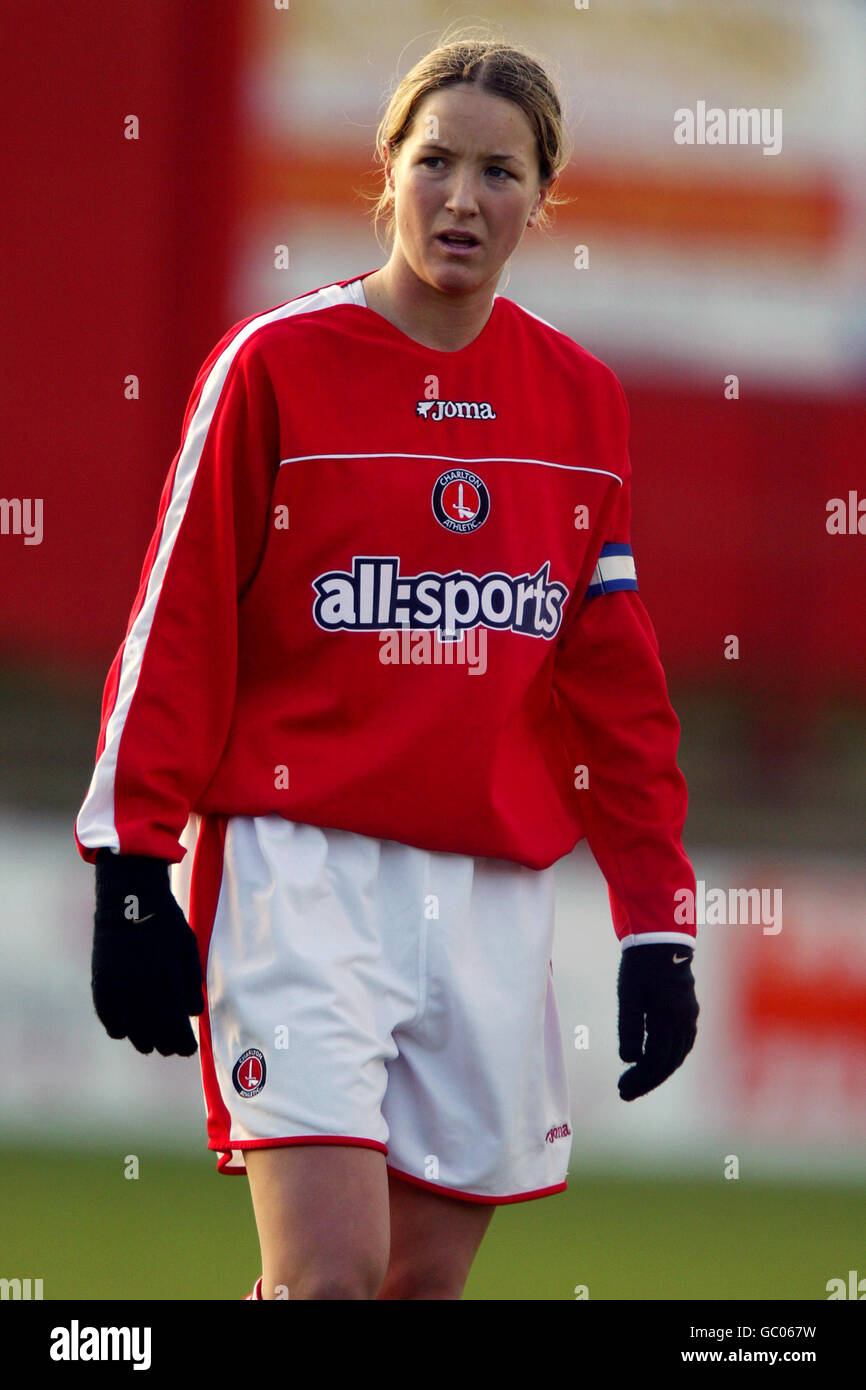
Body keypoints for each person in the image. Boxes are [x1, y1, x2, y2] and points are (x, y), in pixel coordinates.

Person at [75, 28, 699, 1301]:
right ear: (386, 169)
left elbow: (614, 692)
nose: (463, 199)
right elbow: (177, 625)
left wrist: (657, 923)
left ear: (542, 194)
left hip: (488, 898)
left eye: (501, 172)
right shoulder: (274, 369)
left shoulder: (580, 403)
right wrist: (133, 864)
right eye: (435, 162)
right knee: (328, 1280)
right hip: (300, 877)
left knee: (414, 1286)